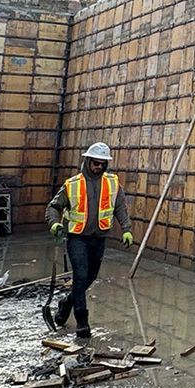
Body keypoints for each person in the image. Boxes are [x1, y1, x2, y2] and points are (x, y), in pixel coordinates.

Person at [45, 141, 133, 339]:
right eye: (95, 163)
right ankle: (82, 323)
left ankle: (67, 302)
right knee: (81, 275)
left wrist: (126, 229)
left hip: (98, 238)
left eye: (102, 164)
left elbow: (120, 207)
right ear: (87, 161)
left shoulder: (112, 183)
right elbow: (53, 207)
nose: (98, 167)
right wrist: (54, 224)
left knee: (90, 277)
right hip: (77, 238)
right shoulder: (73, 185)